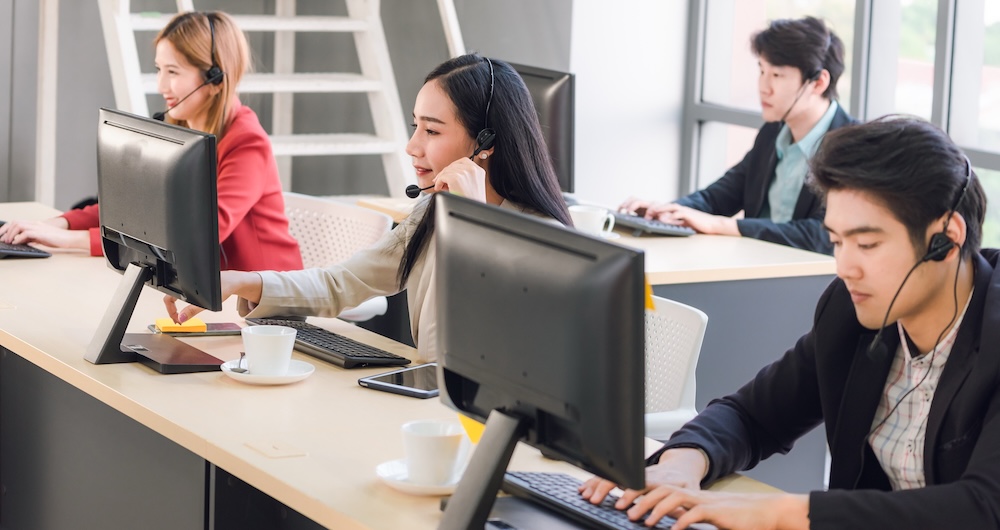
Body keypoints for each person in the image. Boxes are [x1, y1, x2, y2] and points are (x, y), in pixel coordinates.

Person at [580, 116, 1000, 529]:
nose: (845, 267)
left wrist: (776, 513)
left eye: (867, 244)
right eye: (836, 241)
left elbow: (984, 506)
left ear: (945, 240)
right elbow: (753, 414)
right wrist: (682, 461)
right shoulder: (851, 313)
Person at [164, 54, 571, 362]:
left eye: (431, 130)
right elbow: (341, 284)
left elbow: (484, 352)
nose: (413, 147)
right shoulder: (432, 212)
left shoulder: (545, 241)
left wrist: (475, 224)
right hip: (430, 410)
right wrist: (240, 281)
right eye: (415, 126)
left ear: (487, 143)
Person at [0, 11, 302, 272]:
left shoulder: (247, 143)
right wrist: (60, 224)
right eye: (159, 69)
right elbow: (132, 207)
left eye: (173, 72)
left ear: (216, 79)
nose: (161, 85)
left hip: (266, 305)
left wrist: (73, 241)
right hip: (213, 293)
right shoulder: (180, 130)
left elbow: (200, 235)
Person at [620, 16, 854, 254]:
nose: (763, 86)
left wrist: (723, 225)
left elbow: (822, 234)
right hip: (752, 268)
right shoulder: (773, 132)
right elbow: (719, 197)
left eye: (777, 76)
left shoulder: (851, 147)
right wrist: (663, 212)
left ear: (818, 83)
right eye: (762, 71)